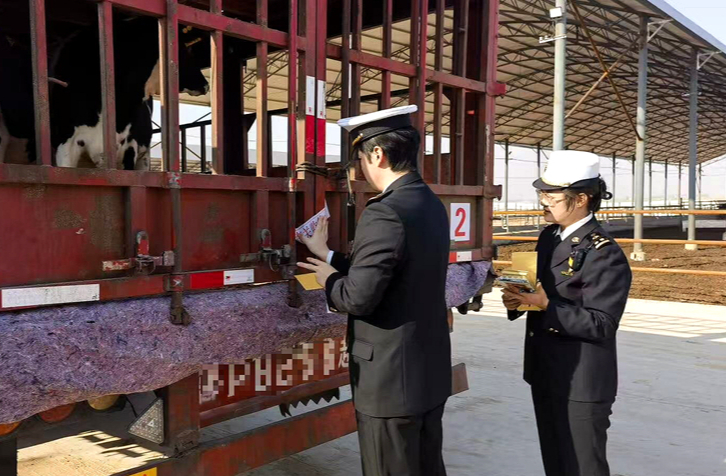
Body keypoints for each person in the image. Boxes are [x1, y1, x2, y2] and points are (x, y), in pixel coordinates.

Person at [298, 105, 451, 476]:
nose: (360, 170)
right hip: (426, 372)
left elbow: (358, 297)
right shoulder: (429, 202)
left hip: (390, 381)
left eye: (360, 159)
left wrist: (329, 279)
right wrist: (328, 255)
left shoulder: (383, 211)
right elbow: (395, 270)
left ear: (378, 154)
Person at [501, 150, 632, 476]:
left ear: (582, 199)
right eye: (542, 194)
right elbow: (540, 291)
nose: (543, 202)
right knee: (556, 462)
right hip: (545, 372)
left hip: (581, 382)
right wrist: (519, 301)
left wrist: (547, 305)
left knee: (581, 466)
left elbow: (602, 324)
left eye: (551, 196)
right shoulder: (549, 237)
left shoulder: (604, 253)